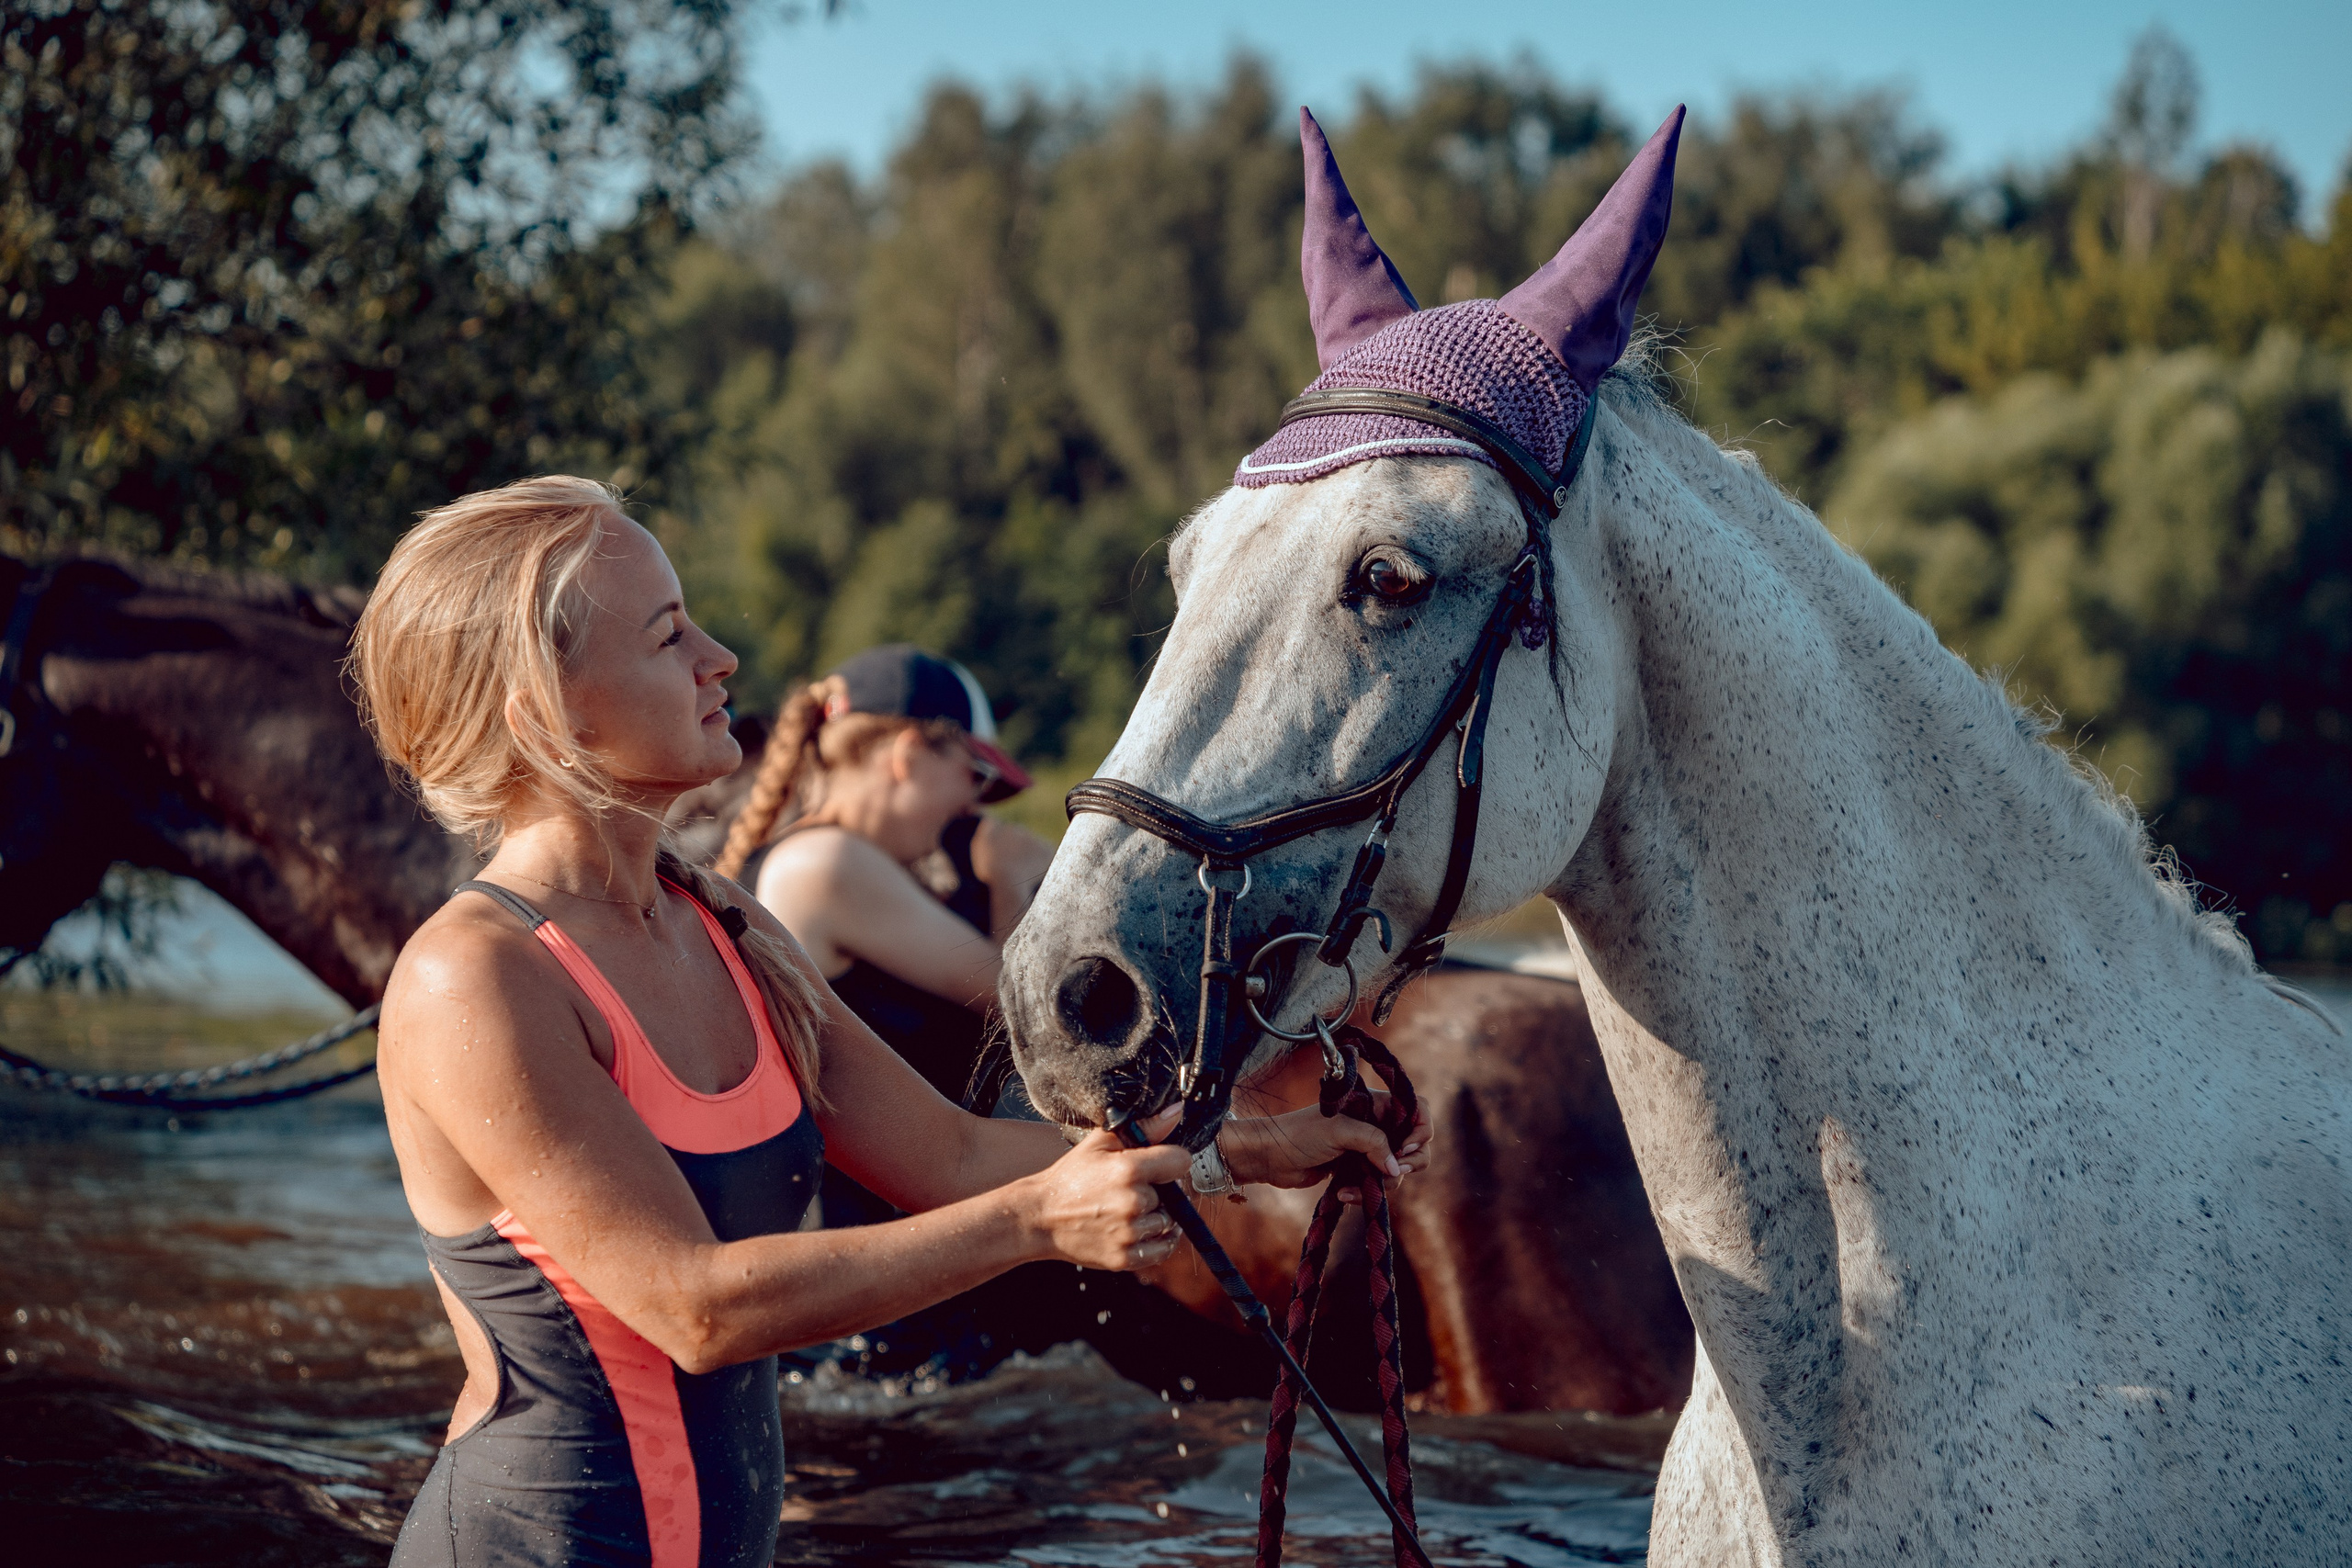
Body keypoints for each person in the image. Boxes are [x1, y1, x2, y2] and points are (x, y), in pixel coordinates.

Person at [350, 476, 1420, 1568]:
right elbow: (694, 1311)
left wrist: (1235, 1149)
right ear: (546, 709)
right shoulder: (474, 980)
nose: (720, 659)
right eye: (669, 635)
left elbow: (951, 1156)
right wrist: (1038, 1221)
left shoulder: (723, 923)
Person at [712, 644, 1048, 1116]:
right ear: (909, 755)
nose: (974, 806)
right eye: (976, 774)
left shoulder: (830, 858)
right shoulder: (827, 864)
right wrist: (1010, 876)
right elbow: (1028, 1011)